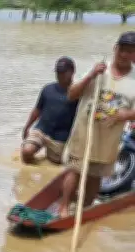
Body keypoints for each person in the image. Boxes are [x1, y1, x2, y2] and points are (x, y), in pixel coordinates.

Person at [58, 31, 135, 217]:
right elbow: (71, 94)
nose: (124, 54)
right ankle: (63, 207)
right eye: (122, 49)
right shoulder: (100, 70)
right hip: (84, 132)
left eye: (130, 51)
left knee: (95, 177)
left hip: (108, 139)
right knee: (74, 169)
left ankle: (83, 211)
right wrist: (91, 75)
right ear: (115, 49)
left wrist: (125, 115)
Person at [20, 57, 79, 164]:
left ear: (72, 71)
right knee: (26, 152)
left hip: (61, 137)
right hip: (42, 131)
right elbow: (37, 110)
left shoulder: (78, 93)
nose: (60, 75)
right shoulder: (47, 89)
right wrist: (27, 127)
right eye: (58, 72)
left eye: (63, 72)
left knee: (56, 163)